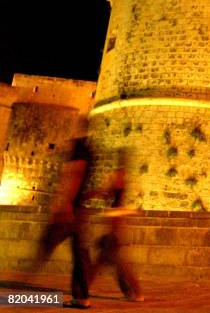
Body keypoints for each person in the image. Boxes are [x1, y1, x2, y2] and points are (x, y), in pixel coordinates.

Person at [35, 124, 93, 309]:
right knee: (81, 254)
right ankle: (82, 298)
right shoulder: (90, 149)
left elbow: (75, 174)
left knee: (44, 246)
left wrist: (64, 202)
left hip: (71, 211)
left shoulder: (79, 148)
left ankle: (18, 291)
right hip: (80, 210)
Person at [88, 148, 143, 302]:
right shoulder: (122, 178)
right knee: (101, 260)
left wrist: (101, 192)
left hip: (115, 227)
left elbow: (111, 199)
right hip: (114, 225)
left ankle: (138, 293)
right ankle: (85, 287)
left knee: (120, 264)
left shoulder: (119, 178)